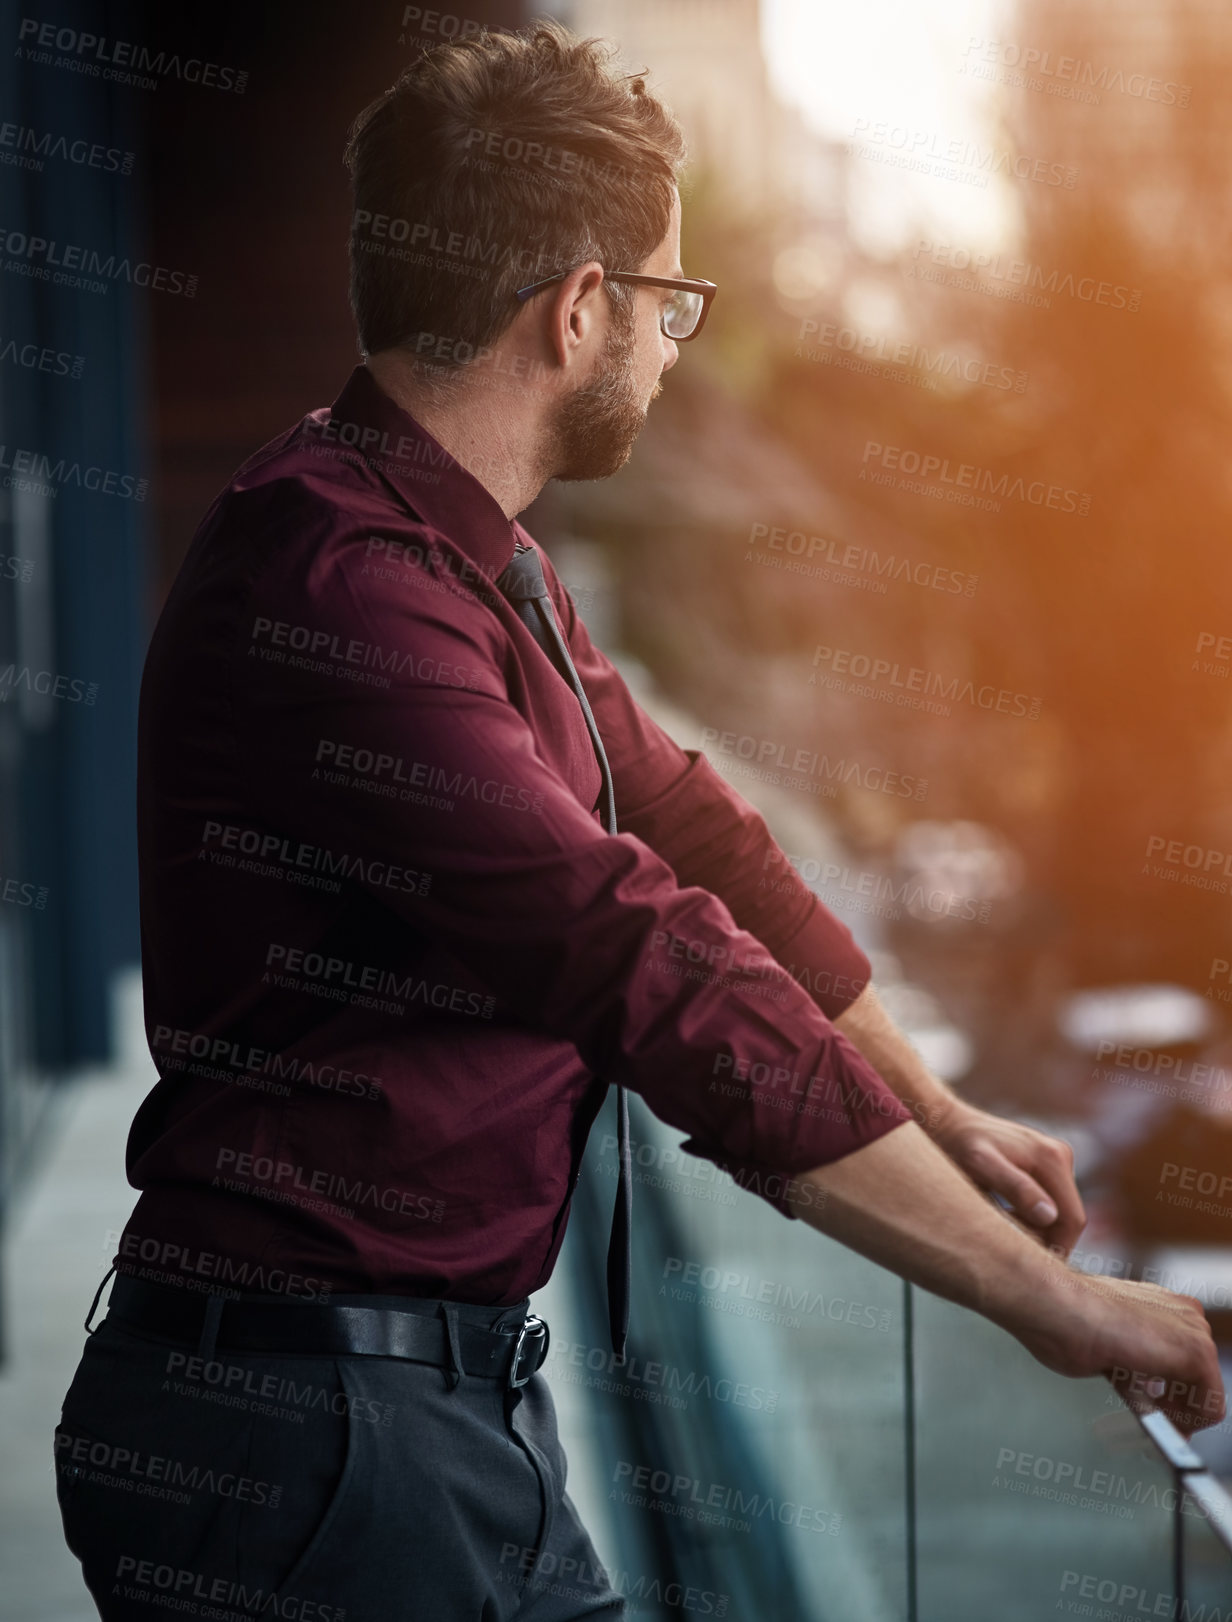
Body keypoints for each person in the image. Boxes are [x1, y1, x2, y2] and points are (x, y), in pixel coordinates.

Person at [53, 18, 1224, 1622]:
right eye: (670, 302)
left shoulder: (475, 562)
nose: (676, 348)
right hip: (309, 1443)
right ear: (579, 308)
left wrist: (946, 1122)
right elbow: (634, 950)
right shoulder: (340, 591)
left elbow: (693, 831)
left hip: (430, 1404)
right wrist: (1041, 1297)